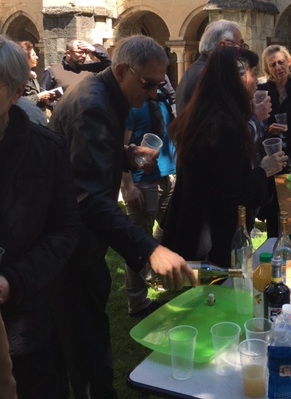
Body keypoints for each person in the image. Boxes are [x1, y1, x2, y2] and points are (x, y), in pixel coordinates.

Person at [48, 36, 195, 399]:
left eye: (158, 85)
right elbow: (89, 198)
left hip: (77, 239)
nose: (150, 93)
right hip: (70, 244)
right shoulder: (95, 105)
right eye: (146, 84)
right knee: (85, 340)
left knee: (87, 331)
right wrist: (149, 250)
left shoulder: (104, 95)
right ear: (121, 71)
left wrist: (122, 155)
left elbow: (79, 158)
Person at [0, 35, 80, 399]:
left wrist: (13, 281)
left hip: (24, 319)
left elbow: (65, 230)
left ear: (16, 93)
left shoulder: (45, 150)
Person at [162, 47, 286, 267]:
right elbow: (232, 193)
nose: (257, 81)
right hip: (215, 239)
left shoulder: (206, 114)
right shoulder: (224, 125)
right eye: (253, 73)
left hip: (194, 226)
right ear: (237, 78)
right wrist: (264, 170)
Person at [121, 82, 177, 317]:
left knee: (166, 230)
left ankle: (152, 272)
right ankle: (137, 302)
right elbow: (120, 147)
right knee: (137, 241)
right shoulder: (132, 106)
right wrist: (128, 186)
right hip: (141, 182)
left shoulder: (163, 100)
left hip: (167, 177)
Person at [175, 19, 244, 115]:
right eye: (237, 48)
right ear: (223, 45)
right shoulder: (212, 74)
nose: (239, 54)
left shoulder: (194, 69)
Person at [39, 38, 111, 94]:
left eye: (86, 53)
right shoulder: (53, 72)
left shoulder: (89, 68)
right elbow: (42, 96)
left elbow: (109, 64)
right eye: (80, 52)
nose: (83, 56)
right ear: (68, 53)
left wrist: (94, 50)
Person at [17, 41, 56, 110]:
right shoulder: (16, 77)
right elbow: (16, 102)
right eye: (33, 55)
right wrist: (39, 96)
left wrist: (44, 99)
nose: (37, 57)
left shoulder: (31, 76)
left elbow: (36, 102)